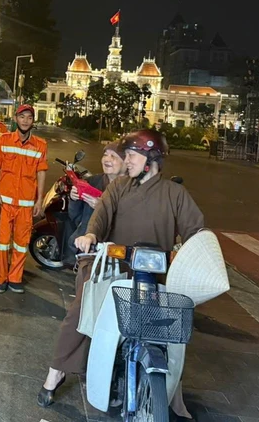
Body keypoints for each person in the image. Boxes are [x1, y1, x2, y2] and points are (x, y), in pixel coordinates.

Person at [38, 129, 204, 408]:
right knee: (83, 308)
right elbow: (101, 215)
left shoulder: (175, 193)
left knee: (171, 324)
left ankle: (164, 385)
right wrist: (91, 235)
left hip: (153, 271)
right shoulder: (118, 187)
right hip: (111, 264)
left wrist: (198, 254)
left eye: (131, 156)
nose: (126, 161)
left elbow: (196, 231)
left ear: (151, 159)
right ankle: (57, 370)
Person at [0, 104, 48, 294]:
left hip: (25, 204)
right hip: (5, 202)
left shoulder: (40, 145)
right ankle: (1, 279)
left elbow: (41, 172)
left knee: (21, 244)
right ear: (16, 118)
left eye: (29, 118)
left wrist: (39, 200)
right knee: (2, 242)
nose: (25, 121)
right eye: (22, 117)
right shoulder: (4, 140)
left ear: (33, 121)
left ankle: (15, 278)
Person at [63, 143, 126, 264]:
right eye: (105, 155)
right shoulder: (92, 182)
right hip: (88, 250)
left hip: (116, 252)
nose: (107, 159)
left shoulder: (134, 189)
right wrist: (74, 199)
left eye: (113, 156)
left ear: (126, 162)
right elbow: (76, 217)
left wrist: (102, 208)